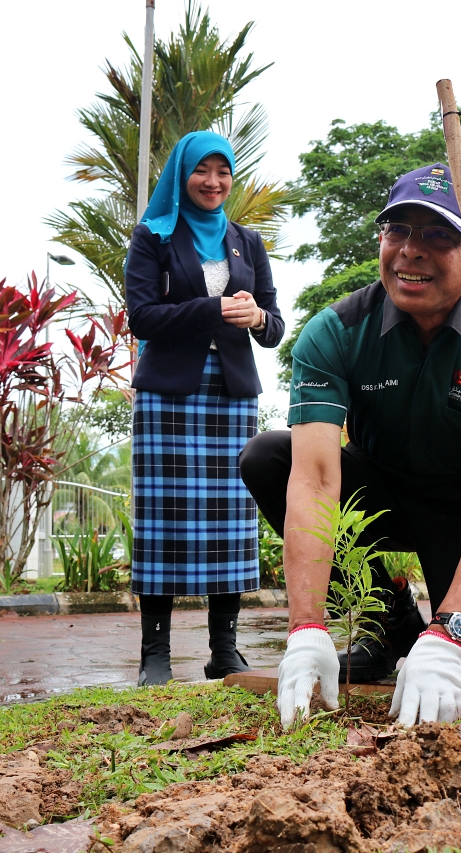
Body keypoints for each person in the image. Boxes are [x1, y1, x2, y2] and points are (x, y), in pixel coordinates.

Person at [239, 164, 461, 728]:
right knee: (268, 457)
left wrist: (449, 633)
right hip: (377, 492)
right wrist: (305, 628)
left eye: (438, 236)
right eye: (398, 231)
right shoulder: (334, 332)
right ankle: (392, 625)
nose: (411, 251)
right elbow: (314, 480)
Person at [125, 131, 285, 686]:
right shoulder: (153, 238)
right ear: (181, 174)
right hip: (169, 392)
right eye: (202, 171)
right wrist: (212, 308)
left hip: (232, 392)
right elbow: (142, 318)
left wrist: (258, 319)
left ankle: (224, 649)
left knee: (231, 520)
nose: (213, 182)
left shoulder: (248, 243)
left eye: (223, 172)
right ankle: (156, 655)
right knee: (161, 518)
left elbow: (274, 325)